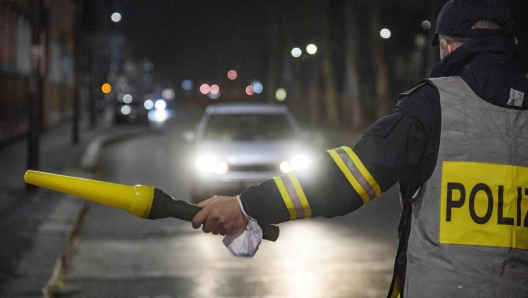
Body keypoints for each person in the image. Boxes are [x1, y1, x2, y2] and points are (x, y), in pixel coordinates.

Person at [192, 0, 528, 296]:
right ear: (512, 43)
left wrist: (248, 205)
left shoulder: (432, 106)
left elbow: (347, 180)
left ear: (447, 47)